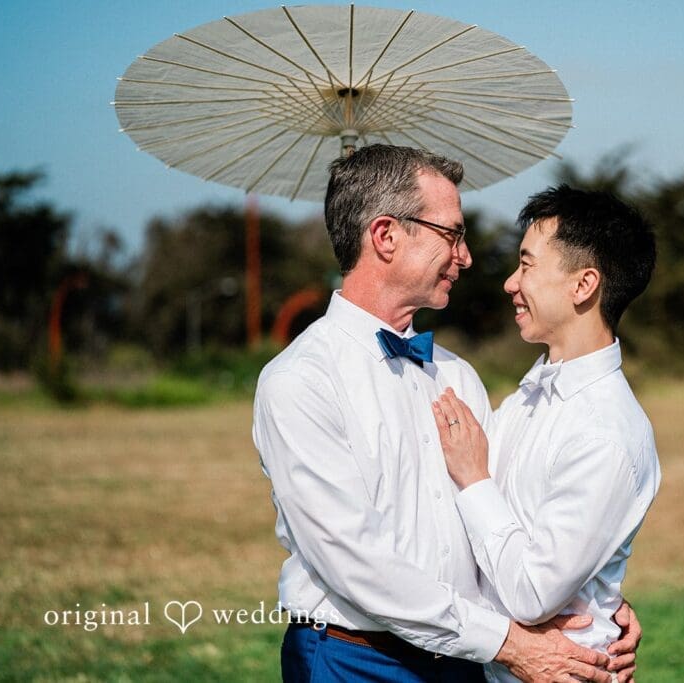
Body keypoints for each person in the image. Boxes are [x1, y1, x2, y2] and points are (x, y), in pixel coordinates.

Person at [252, 145, 638, 682]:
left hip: (465, 660)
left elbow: (508, 521)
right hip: (353, 660)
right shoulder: (301, 381)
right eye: (452, 235)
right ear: (385, 236)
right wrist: (508, 643)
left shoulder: (457, 376)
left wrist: (595, 604)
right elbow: (354, 560)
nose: (467, 256)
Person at [431, 185, 660, 683]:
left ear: (583, 285)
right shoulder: (528, 399)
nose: (510, 283)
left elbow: (533, 594)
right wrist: (602, 593)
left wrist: (474, 480)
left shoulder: (604, 434)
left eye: (527, 265)